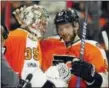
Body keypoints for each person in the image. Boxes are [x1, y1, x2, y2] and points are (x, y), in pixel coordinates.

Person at [40, 8, 108, 88]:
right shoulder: (47, 43)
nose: (63, 32)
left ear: (76, 26)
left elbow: (105, 82)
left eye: (67, 27)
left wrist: (91, 77)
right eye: (60, 28)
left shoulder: (93, 48)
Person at [4, 4, 54, 87]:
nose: (44, 29)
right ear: (31, 22)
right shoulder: (29, 39)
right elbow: (30, 72)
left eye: (45, 25)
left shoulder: (11, 35)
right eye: (42, 24)